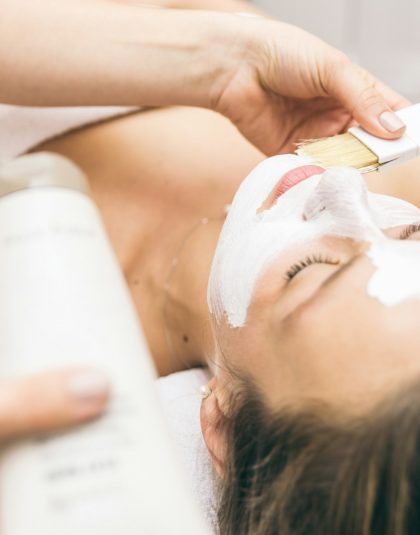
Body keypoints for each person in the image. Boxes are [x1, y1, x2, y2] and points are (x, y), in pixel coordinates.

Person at [0, 0, 419, 533]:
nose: (344, 190)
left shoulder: (33, 357)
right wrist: (223, 59)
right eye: (411, 234)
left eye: (310, 270)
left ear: (221, 423)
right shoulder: (387, 158)